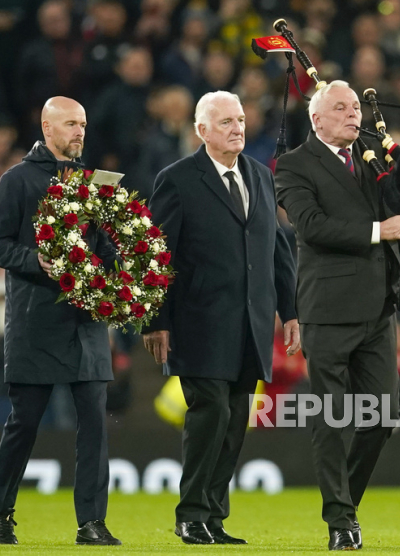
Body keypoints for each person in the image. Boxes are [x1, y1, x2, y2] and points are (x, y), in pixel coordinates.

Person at [274, 80, 400, 551]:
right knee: (331, 416)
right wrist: (378, 230)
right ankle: (340, 519)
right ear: (316, 119)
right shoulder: (293, 165)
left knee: (383, 415)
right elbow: (310, 226)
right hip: (327, 309)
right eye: (341, 108)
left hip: (379, 307)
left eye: (354, 108)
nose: (354, 115)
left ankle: (344, 501)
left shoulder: (373, 153)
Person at [141, 91, 299, 545]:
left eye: (241, 120)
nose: (237, 128)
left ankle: (212, 515)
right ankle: (190, 513)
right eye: (226, 121)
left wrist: (289, 311)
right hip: (199, 322)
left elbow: (278, 248)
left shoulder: (261, 177)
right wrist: (156, 319)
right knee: (208, 414)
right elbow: (158, 253)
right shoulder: (177, 179)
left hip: (251, 323)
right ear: (201, 130)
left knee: (233, 420)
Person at [0, 97, 121, 546]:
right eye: (70, 124)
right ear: (46, 126)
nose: (80, 132)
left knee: (95, 425)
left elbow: (107, 249)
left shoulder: (97, 182)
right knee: (25, 423)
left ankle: (91, 523)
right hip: (35, 320)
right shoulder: (17, 180)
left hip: (86, 323)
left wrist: (121, 269)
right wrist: (35, 259)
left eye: (83, 124)